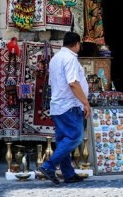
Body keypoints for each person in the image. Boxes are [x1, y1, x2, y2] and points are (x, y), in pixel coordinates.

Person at [39, 32, 91, 184]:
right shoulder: (70, 59)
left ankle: (68, 173)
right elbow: (73, 83)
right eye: (79, 44)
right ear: (76, 44)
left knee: (63, 140)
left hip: (58, 105)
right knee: (75, 137)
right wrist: (85, 103)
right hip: (69, 105)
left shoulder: (56, 58)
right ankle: (49, 166)